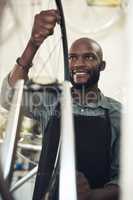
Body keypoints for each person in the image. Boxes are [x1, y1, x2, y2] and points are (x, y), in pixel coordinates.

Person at [0, 9, 121, 200]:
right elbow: (9, 97)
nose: (78, 63)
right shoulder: (51, 102)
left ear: (102, 65)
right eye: (72, 57)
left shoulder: (118, 114)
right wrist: (33, 44)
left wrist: (93, 195)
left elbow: (124, 180)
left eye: (89, 57)